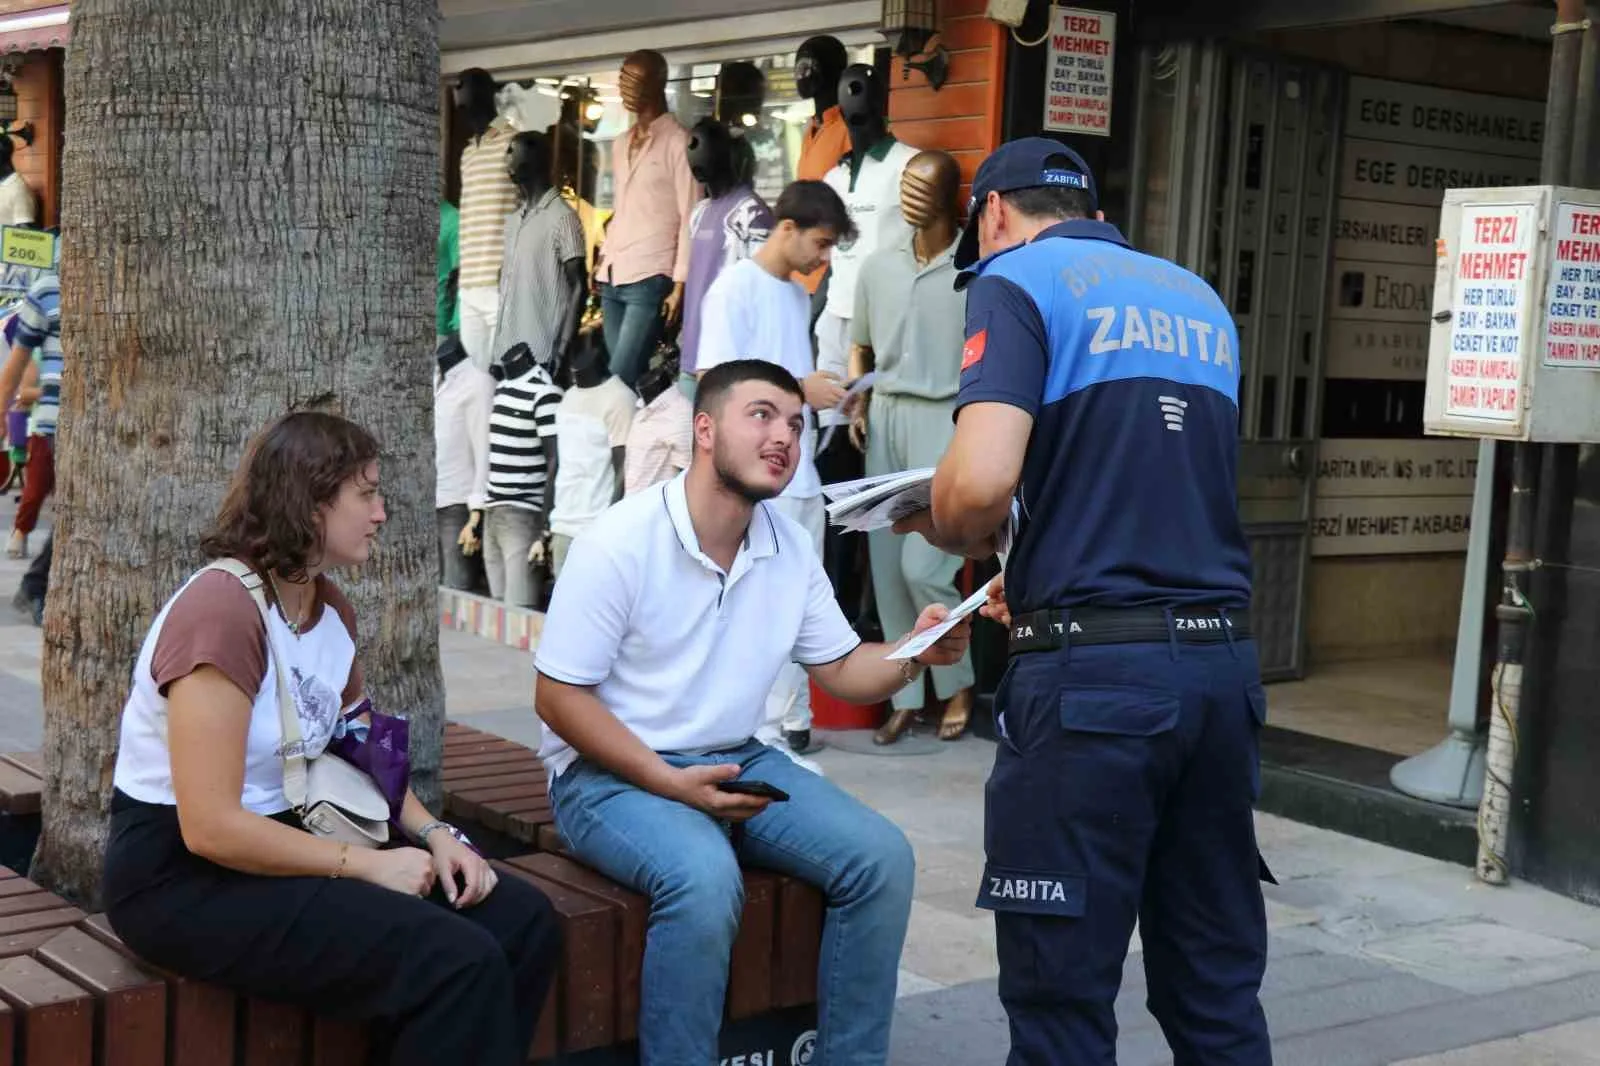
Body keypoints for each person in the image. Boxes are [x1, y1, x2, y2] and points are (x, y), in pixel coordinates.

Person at [895, 138, 1272, 1065]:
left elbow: (981, 483)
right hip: (1218, 676)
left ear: (992, 216)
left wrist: (941, 523)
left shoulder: (1017, 279)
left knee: (1061, 998)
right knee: (1215, 986)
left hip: (1094, 688)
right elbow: (1141, 481)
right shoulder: (1199, 299)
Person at [534, 359, 971, 1066]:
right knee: (704, 880)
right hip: (607, 773)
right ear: (704, 430)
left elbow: (841, 669)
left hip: (736, 757)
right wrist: (667, 782)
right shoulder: (621, 540)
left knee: (883, 859)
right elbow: (556, 697)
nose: (784, 438)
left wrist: (916, 652)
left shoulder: (788, 545)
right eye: (762, 415)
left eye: (796, 424)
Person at [102, 412, 561, 1066]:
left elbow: (363, 745)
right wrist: (372, 865)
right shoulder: (223, 614)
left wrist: (434, 835)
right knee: (454, 962)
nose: (381, 513)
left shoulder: (328, 607)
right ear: (312, 504)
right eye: (366, 494)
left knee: (522, 920)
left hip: (283, 838)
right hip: (180, 878)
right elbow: (208, 827)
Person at [694, 180, 856, 757]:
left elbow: (790, 384)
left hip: (799, 473)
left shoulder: (792, 294)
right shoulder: (733, 289)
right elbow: (715, 386)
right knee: (753, 605)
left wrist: (828, 397)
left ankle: (791, 720)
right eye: (821, 242)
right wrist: (798, 389)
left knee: (797, 599)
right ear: (786, 228)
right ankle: (756, 730)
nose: (825, 257)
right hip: (753, 481)